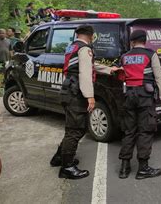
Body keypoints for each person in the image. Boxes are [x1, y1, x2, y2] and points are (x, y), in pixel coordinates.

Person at [49, 25, 118, 179]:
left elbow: (89, 66)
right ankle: (67, 167)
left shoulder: (73, 46)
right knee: (76, 130)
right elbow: (85, 73)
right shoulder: (85, 49)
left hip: (68, 91)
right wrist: (90, 96)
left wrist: (109, 69)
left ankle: (60, 158)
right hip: (76, 94)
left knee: (71, 128)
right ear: (90, 35)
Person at [118, 30, 161, 179]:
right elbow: (159, 77)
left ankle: (124, 168)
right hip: (145, 97)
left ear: (132, 42)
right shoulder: (150, 54)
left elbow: (120, 74)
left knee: (129, 131)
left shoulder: (125, 56)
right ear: (145, 41)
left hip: (128, 95)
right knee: (145, 131)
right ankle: (143, 168)